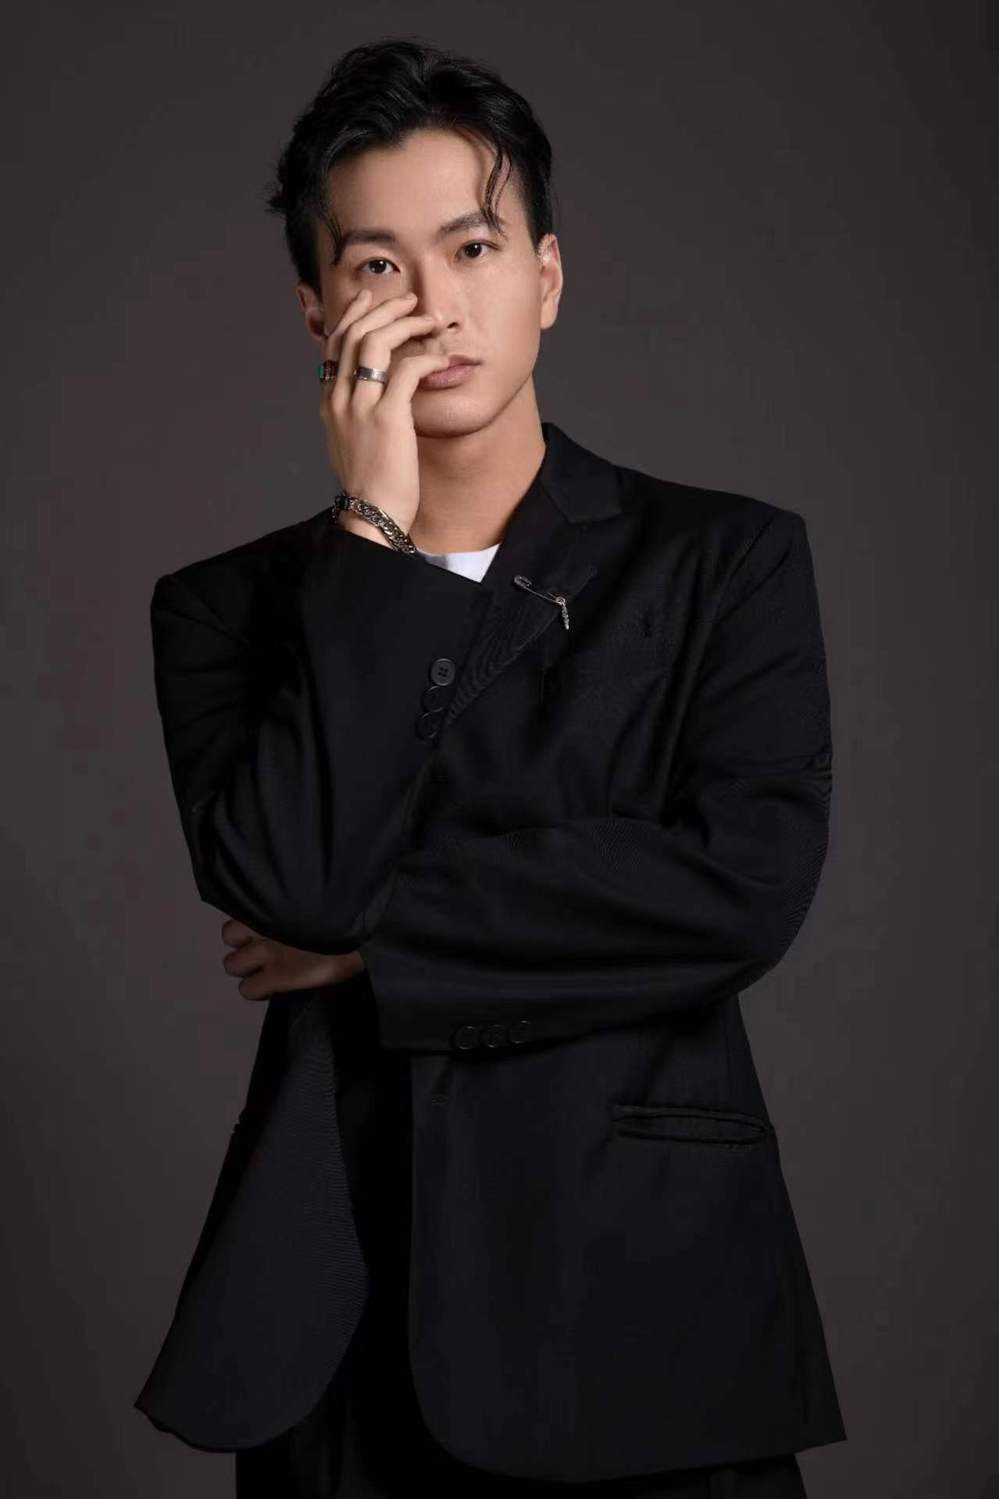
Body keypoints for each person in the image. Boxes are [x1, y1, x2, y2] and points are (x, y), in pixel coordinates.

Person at [134, 36, 847, 1498]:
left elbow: (739, 888)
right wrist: (375, 534)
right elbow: (293, 886)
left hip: (643, 1308)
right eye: (378, 265)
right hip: (342, 1318)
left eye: (473, 247)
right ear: (319, 309)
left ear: (547, 277)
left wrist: (374, 945)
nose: (436, 305)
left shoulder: (724, 562)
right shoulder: (224, 610)